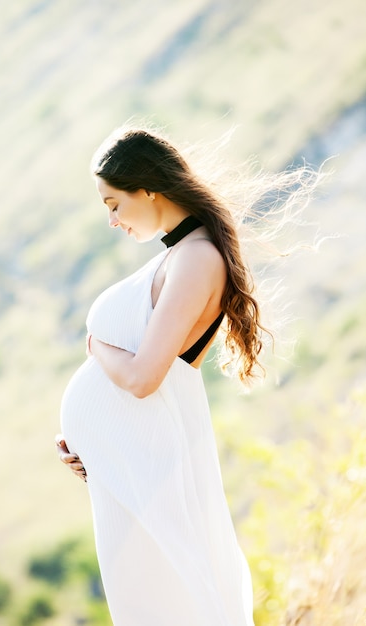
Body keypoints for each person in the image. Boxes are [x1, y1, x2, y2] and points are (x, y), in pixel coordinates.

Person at [56, 127, 276, 626]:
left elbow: (142, 378)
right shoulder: (180, 255)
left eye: (114, 204)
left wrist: (96, 348)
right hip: (130, 465)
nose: (111, 220)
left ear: (148, 190)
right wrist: (87, 437)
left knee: (165, 605)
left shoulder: (197, 258)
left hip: (154, 470)